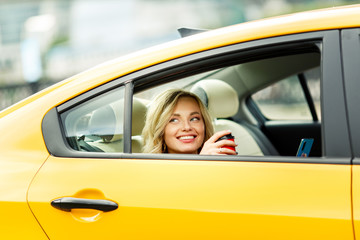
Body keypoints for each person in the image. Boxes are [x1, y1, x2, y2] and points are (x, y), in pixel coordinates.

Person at [142, 89, 237, 155]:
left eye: (194, 119)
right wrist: (202, 164)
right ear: (160, 130)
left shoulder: (217, 157)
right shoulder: (152, 171)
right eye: (174, 120)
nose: (187, 127)